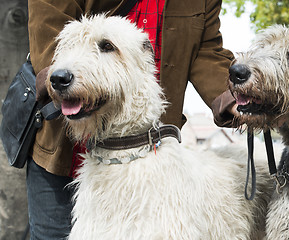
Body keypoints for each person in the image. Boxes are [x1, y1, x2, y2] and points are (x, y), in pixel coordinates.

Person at [27, 0, 237, 239]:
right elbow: (49, 23)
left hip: (150, 151)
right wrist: (61, 74)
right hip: (61, 150)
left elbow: (206, 51)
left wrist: (235, 98)